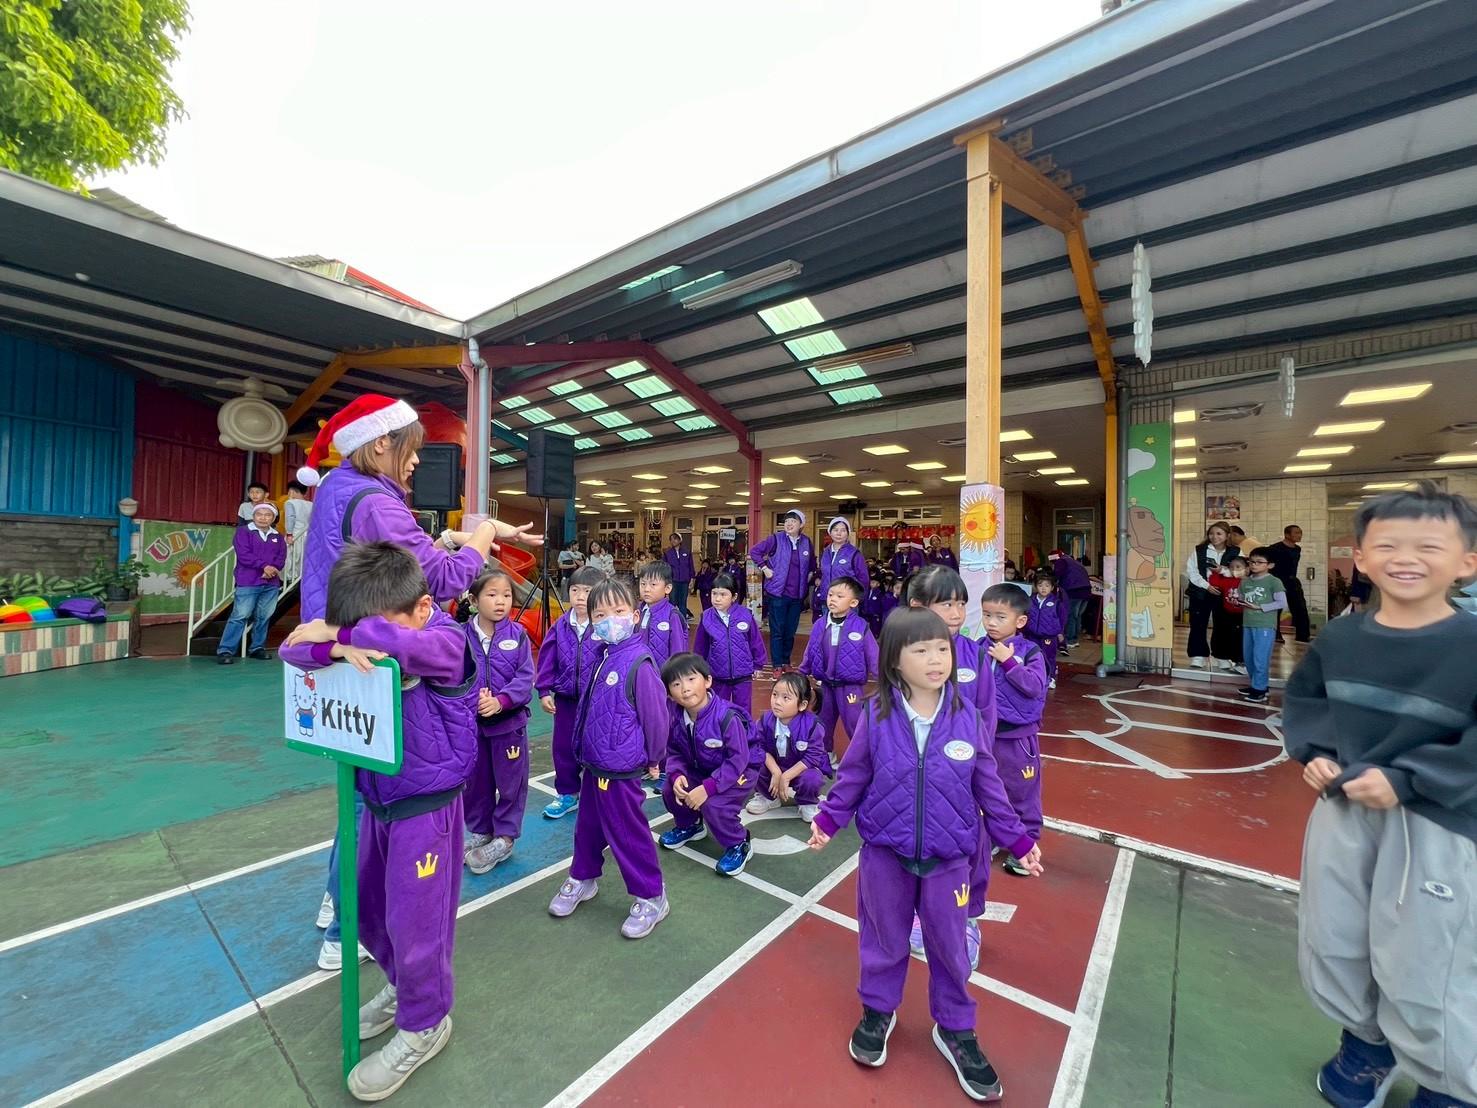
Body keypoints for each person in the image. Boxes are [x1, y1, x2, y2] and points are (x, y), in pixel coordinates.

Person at [294, 393, 540, 968]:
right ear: (381, 441)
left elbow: (406, 560)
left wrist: (459, 537)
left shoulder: (336, 487)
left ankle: (337, 901)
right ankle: (348, 926)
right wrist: (484, 533)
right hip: (380, 661)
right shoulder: (377, 504)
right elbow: (445, 580)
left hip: (339, 656)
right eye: (411, 449)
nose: (415, 462)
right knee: (379, 800)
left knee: (358, 788)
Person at [1282, 482, 1477, 1108]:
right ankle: (1367, 1048)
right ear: (1361, 558)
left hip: (1438, 820)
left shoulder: (1471, 644)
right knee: (1334, 933)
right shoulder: (1341, 640)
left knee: (1429, 953)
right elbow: (1307, 702)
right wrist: (1315, 752)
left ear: (1467, 561)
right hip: (1345, 808)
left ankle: (1450, 1084)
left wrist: (1408, 778)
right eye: (1388, 544)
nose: (1406, 558)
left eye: (1429, 546)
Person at [808, 608, 1042, 1099]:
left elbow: (989, 788)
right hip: (884, 855)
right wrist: (828, 821)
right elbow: (853, 775)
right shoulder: (876, 714)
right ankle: (878, 1010)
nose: (936, 659)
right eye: (921, 650)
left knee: (950, 948)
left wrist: (1019, 840)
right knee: (883, 939)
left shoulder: (967, 718)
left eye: (942, 649)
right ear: (895, 660)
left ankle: (955, 1028)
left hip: (950, 858)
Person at [279, 542, 476, 1101]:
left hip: (427, 808)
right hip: (375, 799)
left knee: (418, 925)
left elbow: (396, 643)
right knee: (362, 907)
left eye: (376, 626)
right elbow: (292, 650)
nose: (365, 638)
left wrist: (342, 634)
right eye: (355, 626)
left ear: (422, 607)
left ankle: (425, 1023)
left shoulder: (446, 639)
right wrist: (335, 647)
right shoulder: (365, 632)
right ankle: (402, 987)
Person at [547, 577, 669, 938]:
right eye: (600, 614)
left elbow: (656, 718)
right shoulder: (602, 656)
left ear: (634, 615)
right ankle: (583, 877)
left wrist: (654, 758)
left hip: (621, 769)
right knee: (587, 828)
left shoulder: (639, 663)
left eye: (618, 611)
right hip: (594, 764)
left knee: (628, 833)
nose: (609, 620)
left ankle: (652, 895)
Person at [904, 564, 1008, 965]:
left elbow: (986, 716)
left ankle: (968, 918)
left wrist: (976, 770)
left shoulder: (975, 655)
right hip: (915, 778)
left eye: (961, 604)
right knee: (916, 846)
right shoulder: (901, 655)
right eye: (946, 604)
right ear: (918, 607)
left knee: (970, 847)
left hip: (962, 777)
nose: (957, 613)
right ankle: (918, 913)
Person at [657, 653, 755, 876]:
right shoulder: (676, 717)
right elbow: (674, 751)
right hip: (702, 767)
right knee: (671, 790)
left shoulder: (726, 717)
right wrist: (677, 775)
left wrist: (708, 788)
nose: (685, 688)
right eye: (676, 684)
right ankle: (690, 825)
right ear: (669, 693)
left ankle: (739, 843)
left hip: (740, 771)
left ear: (708, 681)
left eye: (691, 679)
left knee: (714, 804)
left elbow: (738, 759)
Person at [462, 568, 533, 874]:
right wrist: (472, 701)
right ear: (473, 600)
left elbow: (525, 678)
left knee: (510, 784)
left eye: (506, 595)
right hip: (472, 727)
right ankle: (481, 831)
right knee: (475, 783)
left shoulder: (518, 635)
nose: (501, 601)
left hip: (509, 727)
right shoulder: (459, 636)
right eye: (492, 595)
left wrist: (501, 701)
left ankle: (504, 838)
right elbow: (454, 677)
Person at [980, 584, 1049, 877]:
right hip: (984, 734)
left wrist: (1008, 662)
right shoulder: (978, 647)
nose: (991, 623)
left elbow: (1035, 686)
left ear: (1020, 621)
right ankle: (993, 836)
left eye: (1000, 617)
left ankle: (1027, 843)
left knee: (1021, 791)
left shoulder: (1029, 651)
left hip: (1017, 738)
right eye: (987, 615)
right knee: (986, 788)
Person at [535, 564, 606, 820]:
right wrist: (544, 690)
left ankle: (599, 794)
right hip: (565, 701)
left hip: (597, 702)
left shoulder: (605, 625)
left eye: (587, 591)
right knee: (563, 747)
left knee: (597, 746)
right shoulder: (561, 625)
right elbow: (547, 658)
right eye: (575, 590)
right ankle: (567, 793)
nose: (580, 596)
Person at [799, 577, 879, 763]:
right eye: (830, 595)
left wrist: (885, 680)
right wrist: (801, 673)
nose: (832, 599)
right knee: (823, 721)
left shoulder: (860, 627)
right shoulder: (820, 624)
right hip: (826, 685)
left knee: (855, 723)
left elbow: (874, 656)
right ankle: (826, 755)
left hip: (850, 688)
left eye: (839, 596)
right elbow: (810, 651)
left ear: (853, 603)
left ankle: (863, 760)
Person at [747, 672, 828, 821]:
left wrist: (787, 776)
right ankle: (768, 797)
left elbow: (813, 757)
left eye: (786, 698)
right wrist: (776, 771)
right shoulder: (766, 720)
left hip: (801, 769)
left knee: (812, 778)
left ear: (802, 705)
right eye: (775, 695)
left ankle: (807, 802)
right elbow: (760, 747)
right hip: (776, 766)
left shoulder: (812, 725)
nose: (777, 702)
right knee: (753, 763)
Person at [217, 502, 286, 664]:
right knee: (240, 616)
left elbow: (281, 557)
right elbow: (244, 554)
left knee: (264, 617)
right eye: (259, 514)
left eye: (268, 515)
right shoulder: (243, 532)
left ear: (273, 518)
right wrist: (264, 566)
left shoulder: (278, 536)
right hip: (248, 581)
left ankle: (257, 648)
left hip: (271, 583)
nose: (263, 518)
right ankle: (225, 650)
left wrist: (273, 568)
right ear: (253, 516)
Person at [749, 509, 816, 670]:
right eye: (786, 521)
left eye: (793, 521)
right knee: (777, 631)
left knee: (790, 631)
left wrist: (809, 576)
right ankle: (777, 665)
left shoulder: (806, 542)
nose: (789, 524)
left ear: (801, 524)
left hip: (797, 595)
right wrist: (765, 568)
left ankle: (786, 661)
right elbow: (754, 552)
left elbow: (812, 564)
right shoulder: (775, 539)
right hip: (777, 594)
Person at [692, 573, 764, 711]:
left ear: (734, 597)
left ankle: (743, 726)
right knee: (718, 709)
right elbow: (700, 647)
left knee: (743, 709)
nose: (717, 598)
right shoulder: (706, 617)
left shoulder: (745, 615)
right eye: (714, 593)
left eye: (723, 594)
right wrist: (699, 670)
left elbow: (755, 641)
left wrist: (758, 664)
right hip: (717, 674)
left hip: (743, 674)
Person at [1183, 523, 1240, 670]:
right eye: (1211, 533)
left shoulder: (1236, 551)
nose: (1214, 537)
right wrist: (1206, 586)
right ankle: (1198, 655)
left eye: (1219, 533)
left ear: (1227, 535)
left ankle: (1222, 656)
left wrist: (1223, 570)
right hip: (1201, 592)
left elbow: (1241, 571)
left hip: (1224, 594)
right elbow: (1192, 571)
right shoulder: (1199, 550)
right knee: (1198, 623)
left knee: (1223, 625)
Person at [1236, 549, 1287, 704]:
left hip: (1265, 625)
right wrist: (1237, 601)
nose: (1254, 565)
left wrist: (1259, 607)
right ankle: (1256, 685)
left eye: (1259, 562)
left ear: (1270, 565)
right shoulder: (1245, 581)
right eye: (1251, 562)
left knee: (1260, 658)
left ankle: (1260, 689)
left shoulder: (1274, 581)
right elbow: (1241, 598)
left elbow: (1282, 603)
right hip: (1248, 623)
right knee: (1249, 658)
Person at [815, 517, 870, 622]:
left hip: (847, 602)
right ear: (830, 532)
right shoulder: (825, 552)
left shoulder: (854, 553)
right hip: (828, 601)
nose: (839, 533)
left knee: (847, 630)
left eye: (843, 530)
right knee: (828, 630)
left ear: (848, 533)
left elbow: (864, 579)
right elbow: (822, 573)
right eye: (835, 530)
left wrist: (857, 599)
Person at [637, 560, 688, 669]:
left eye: (653, 584)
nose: (646, 589)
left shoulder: (672, 615)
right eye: (643, 584)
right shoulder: (637, 611)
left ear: (667, 588)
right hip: (639, 672)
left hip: (662, 674)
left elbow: (677, 651)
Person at [1266, 525, 1311, 643]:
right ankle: (1276, 635)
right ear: (1287, 534)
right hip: (1277, 581)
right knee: (1276, 609)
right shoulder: (1274, 548)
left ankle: (1303, 635)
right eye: (1296, 533)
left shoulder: (1297, 549)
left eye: (1300, 533)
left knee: (1300, 607)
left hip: (1292, 581)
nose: (1299, 535)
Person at [1025, 574, 1068, 690]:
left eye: (1047, 586)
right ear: (1035, 586)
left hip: (1049, 637)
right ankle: (1033, 678)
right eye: (1040, 585)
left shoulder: (1056, 602)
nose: (1043, 588)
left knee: (1049, 657)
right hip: (1032, 635)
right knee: (1032, 657)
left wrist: (1059, 632)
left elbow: (1062, 618)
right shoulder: (1029, 601)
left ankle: (1050, 677)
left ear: (1052, 588)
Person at [1207, 555, 1248, 675]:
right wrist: (1217, 572)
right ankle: (1225, 658)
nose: (1234, 569)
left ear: (1247, 569)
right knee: (1227, 637)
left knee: (1241, 639)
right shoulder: (1226, 580)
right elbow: (1214, 582)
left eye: (1238, 567)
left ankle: (1241, 661)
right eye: (1231, 567)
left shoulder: (1250, 582)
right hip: (1228, 614)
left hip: (1244, 615)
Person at [1048, 548, 1095, 648]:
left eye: (1052, 562)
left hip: (1073, 591)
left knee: (1070, 616)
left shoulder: (1061, 561)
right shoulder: (1073, 561)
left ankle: (1070, 640)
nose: (1053, 564)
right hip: (1086, 591)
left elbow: (1056, 576)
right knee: (1077, 616)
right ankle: (1075, 639)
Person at [283, 481, 313, 581]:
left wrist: (289, 534)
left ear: (291, 491)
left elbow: (290, 518)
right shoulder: (311, 504)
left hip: (295, 534)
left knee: (291, 558)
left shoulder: (290, 503)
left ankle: (289, 579)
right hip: (307, 535)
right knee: (302, 558)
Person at [662, 533, 695, 615]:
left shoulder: (687, 552)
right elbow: (664, 567)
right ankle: (672, 619)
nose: (673, 541)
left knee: (683, 602)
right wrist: (665, 580)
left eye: (675, 539)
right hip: (673, 581)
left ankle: (683, 620)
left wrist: (692, 579)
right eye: (671, 539)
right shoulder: (667, 553)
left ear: (680, 540)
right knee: (672, 602)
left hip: (684, 581)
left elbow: (691, 566)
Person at [862, 571, 895, 637]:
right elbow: (864, 601)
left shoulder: (879, 593)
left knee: (874, 628)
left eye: (874, 582)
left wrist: (877, 613)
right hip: (866, 613)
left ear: (878, 584)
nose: (872, 584)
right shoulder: (867, 592)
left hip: (874, 614)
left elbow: (880, 604)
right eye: (871, 582)